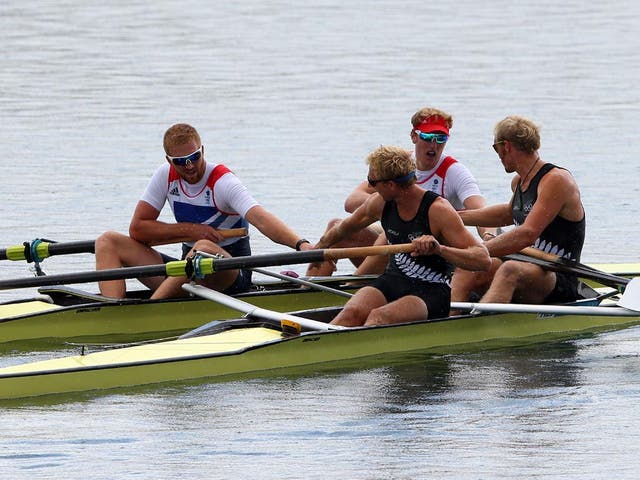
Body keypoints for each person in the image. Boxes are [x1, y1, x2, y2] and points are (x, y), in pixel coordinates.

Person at [95, 123, 313, 299]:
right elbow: (138, 229)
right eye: (181, 162)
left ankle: (153, 308)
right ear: (169, 161)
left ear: (202, 150)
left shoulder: (223, 182)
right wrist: (191, 230)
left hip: (230, 275)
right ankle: (113, 312)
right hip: (185, 271)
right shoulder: (164, 176)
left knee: (203, 248)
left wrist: (300, 244)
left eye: (194, 157)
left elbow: (262, 219)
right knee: (107, 241)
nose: (189, 166)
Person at [312, 145, 491, 327]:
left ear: (390, 185)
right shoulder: (380, 203)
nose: (371, 186)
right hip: (393, 280)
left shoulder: (438, 211)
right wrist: (319, 248)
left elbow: (482, 259)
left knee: (378, 318)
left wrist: (440, 249)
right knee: (350, 314)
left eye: (372, 182)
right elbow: (345, 228)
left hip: (431, 291)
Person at [306, 107, 495, 277]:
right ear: (414, 136)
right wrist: (393, 208)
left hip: (433, 254)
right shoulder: (400, 165)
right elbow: (351, 202)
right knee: (336, 227)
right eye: (428, 137)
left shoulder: (454, 172)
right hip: (402, 244)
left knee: (387, 234)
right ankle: (309, 287)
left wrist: (487, 236)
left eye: (441, 138)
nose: (434, 145)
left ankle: (353, 286)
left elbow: (482, 212)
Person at [450, 115, 586, 306]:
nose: (497, 154)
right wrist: (451, 217)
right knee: (474, 267)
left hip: (558, 274)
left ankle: (487, 328)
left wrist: (479, 249)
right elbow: (507, 214)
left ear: (505, 146)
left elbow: (527, 233)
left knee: (509, 270)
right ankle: (451, 320)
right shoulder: (519, 182)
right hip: (528, 265)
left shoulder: (555, 180)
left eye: (495, 148)